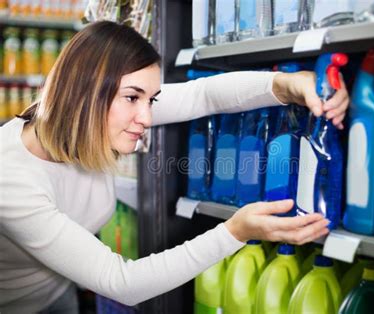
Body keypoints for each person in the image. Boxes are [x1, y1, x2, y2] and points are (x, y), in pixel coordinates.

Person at [0, 21, 349, 313]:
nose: (147, 117)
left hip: (59, 293)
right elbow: (123, 282)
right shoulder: (10, 178)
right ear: (85, 92)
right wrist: (235, 232)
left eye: (150, 100)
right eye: (133, 97)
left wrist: (289, 85)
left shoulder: (85, 119)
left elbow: (203, 95)